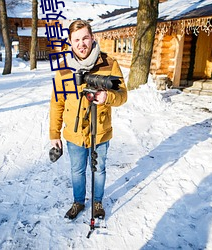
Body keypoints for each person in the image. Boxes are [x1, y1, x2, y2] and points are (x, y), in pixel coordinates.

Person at [49, 20, 127, 220]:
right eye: (76, 40)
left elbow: (123, 95)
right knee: (77, 170)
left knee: (99, 168)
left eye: (85, 38)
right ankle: (78, 202)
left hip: (100, 130)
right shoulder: (64, 68)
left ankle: (98, 202)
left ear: (92, 38)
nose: (81, 43)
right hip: (74, 133)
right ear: (70, 42)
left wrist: (107, 97)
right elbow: (57, 103)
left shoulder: (109, 64)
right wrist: (54, 134)